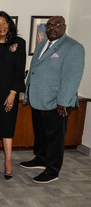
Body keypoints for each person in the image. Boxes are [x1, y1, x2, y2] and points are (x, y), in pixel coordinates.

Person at [20, 16, 85, 184]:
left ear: (64, 26)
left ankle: (53, 169)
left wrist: (63, 101)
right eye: (49, 25)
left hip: (57, 102)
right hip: (38, 98)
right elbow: (34, 69)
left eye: (56, 25)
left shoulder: (73, 47)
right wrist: (28, 91)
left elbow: (72, 77)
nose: (52, 28)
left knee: (55, 137)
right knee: (41, 133)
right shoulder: (42, 44)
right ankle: (41, 159)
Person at [0, 11, 26, 180]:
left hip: (9, 93)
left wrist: (13, 93)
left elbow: (19, 70)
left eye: (4, 23)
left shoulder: (18, 43)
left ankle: (8, 161)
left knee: (7, 128)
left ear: (10, 24)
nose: (1, 27)